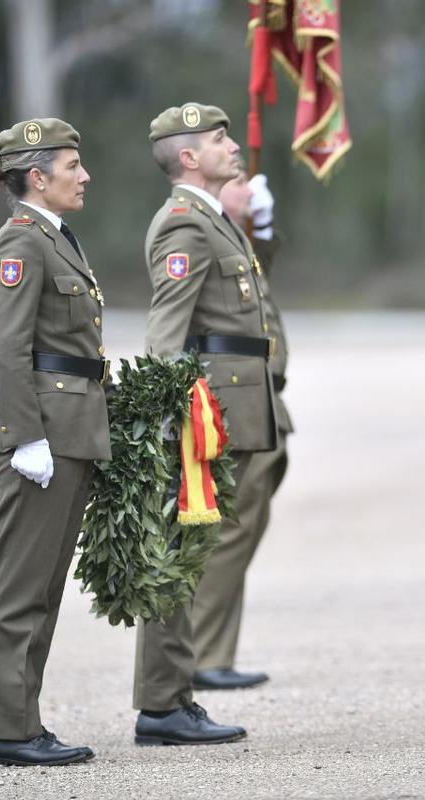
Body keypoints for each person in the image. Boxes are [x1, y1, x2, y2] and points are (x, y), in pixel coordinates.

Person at [130, 102, 276, 745]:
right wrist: (169, 415)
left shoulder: (214, 219)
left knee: (195, 555)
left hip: (232, 401)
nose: (233, 146)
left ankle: (173, 697)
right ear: (189, 156)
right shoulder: (185, 225)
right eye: (219, 139)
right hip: (207, 411)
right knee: (183, 555)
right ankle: (163, 703)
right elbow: (168, 330)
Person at [0, 118, 110, 767]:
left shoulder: (54, 238)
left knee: (44, 589)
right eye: (72, 166)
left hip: (69, 429)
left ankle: (22, 721)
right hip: (42, 435)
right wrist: (26, 436)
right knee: (20, 589)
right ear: (37, 176)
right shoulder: (21, 242)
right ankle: (7, 729)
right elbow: (7, 345)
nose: (84, 176)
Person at [187, 172, 293, 690]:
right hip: (227, 400)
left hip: (262, 397)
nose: (248, 187)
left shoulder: (230, 237)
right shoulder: (194, 230)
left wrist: (263, 227)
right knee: (226, 534)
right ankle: (204, 655)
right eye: (236, 180)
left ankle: (214, 652)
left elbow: (255, 291)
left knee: (244, 529)